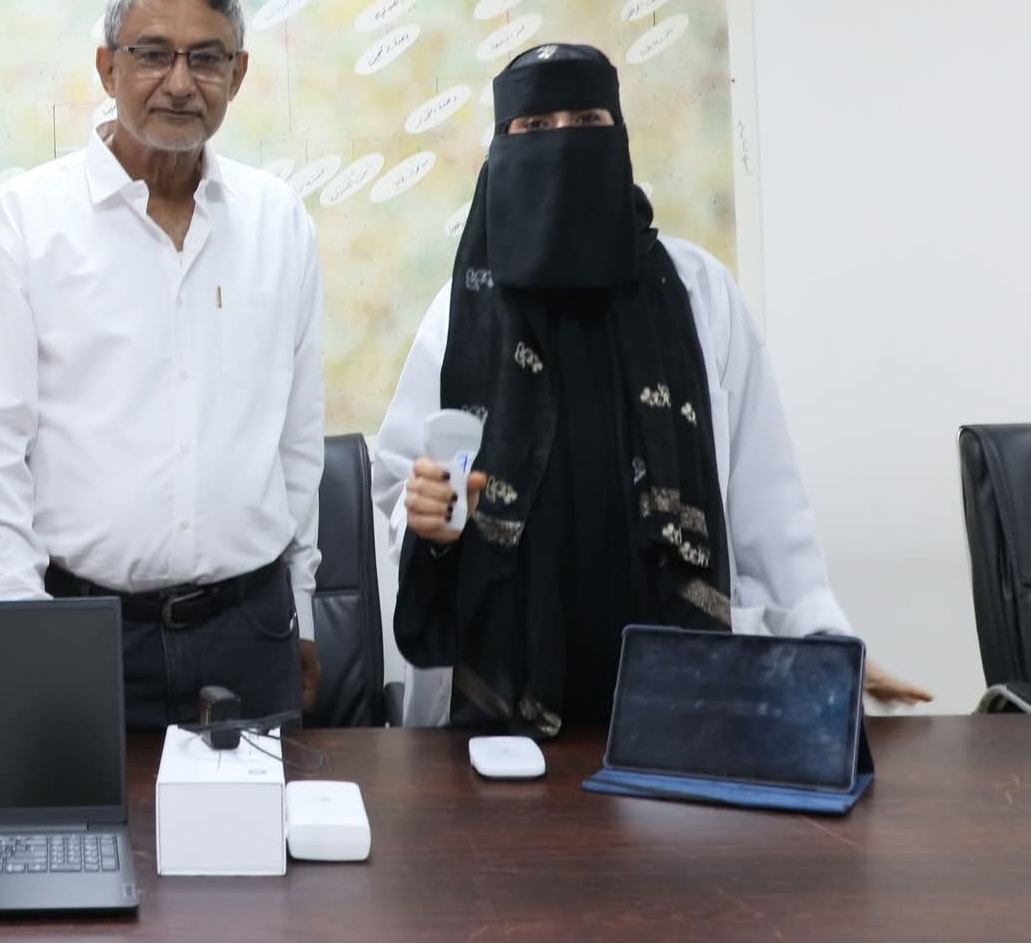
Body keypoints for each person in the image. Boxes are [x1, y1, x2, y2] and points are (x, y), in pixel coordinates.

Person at [371, 42, 929, 734]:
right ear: (501, 149)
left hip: (683, 708)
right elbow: (407, 489)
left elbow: (767, 505)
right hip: (498, 711)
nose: (564, 143)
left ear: (621, 136)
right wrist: (429, 519)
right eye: (536, 127)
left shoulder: (699, 294)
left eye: (587, 120)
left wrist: (825, 650)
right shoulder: (463, 314)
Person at [0, 0, 325, 730]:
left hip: (251, 630)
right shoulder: (25, 222)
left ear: (238, 73)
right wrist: (21, 623)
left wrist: (302, 606)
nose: (179, 82)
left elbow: (297, 438)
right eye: (151, 54)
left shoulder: (278, 222)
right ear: (107, 66)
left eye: (205, 58)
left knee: (258, 817)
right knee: (83, 818)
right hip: (81, 629)